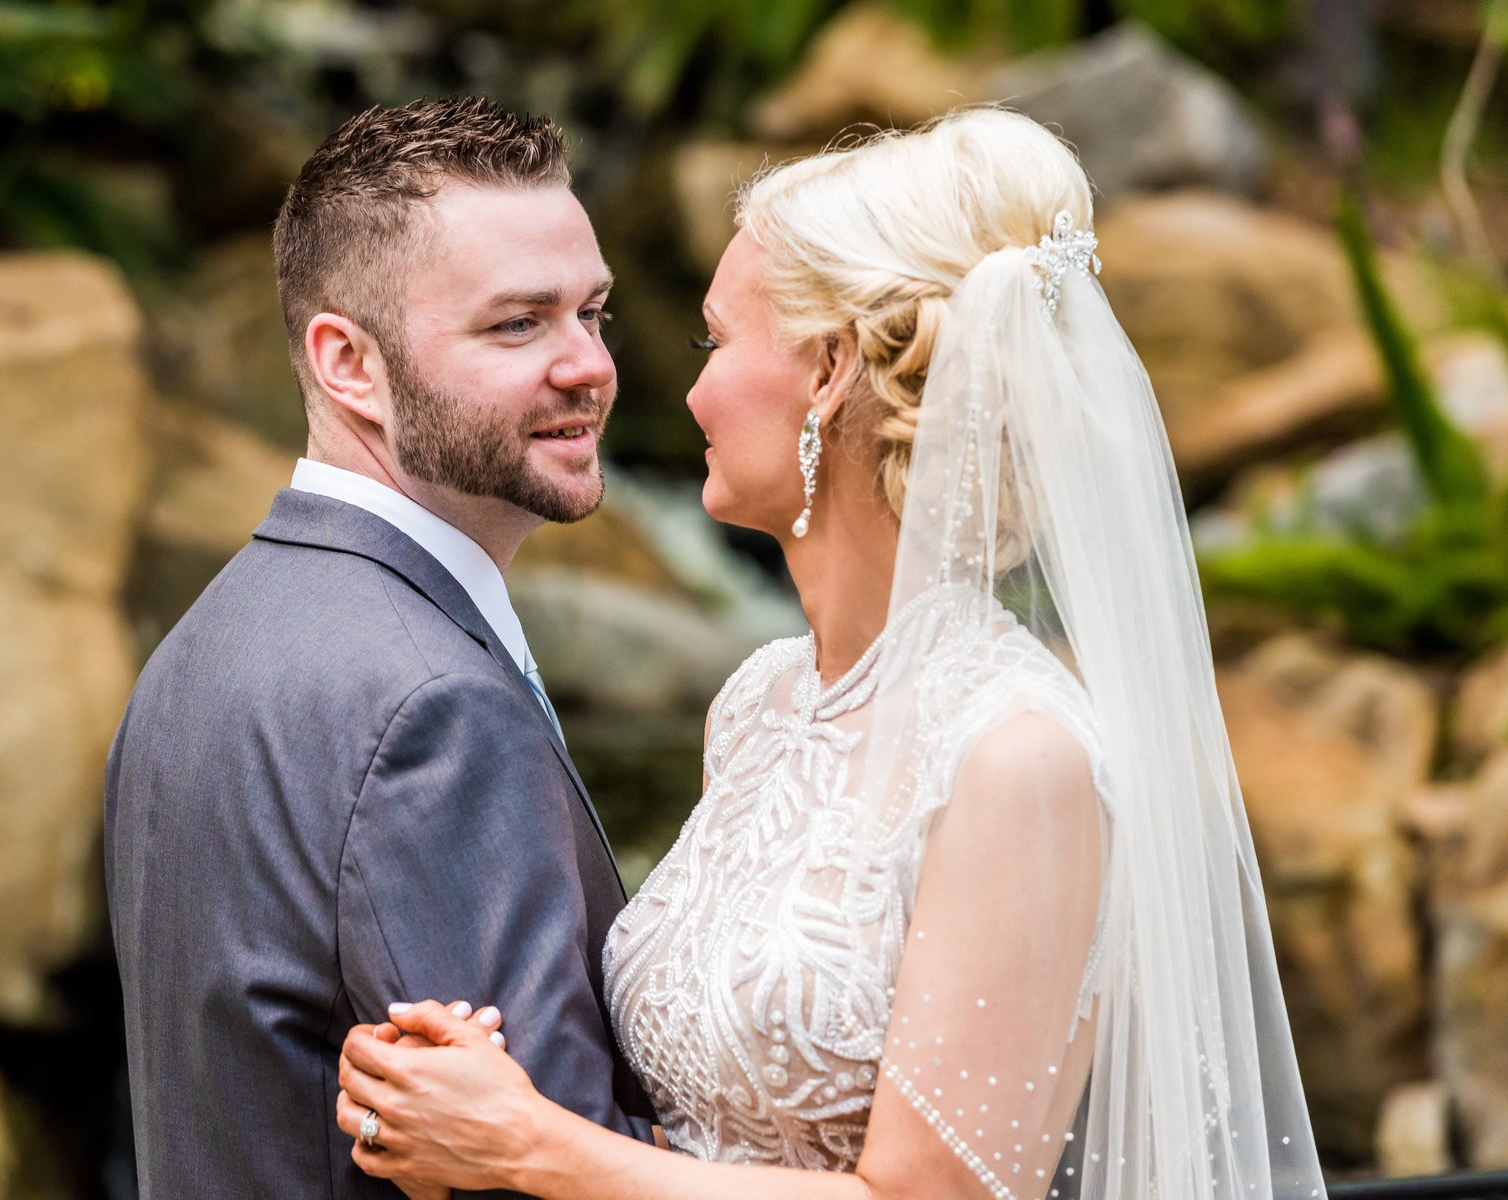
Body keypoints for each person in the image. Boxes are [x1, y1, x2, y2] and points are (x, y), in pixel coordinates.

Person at [334, 108, 1331, 1200]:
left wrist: (528, 1145)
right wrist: (457, 1093)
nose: (685, 391)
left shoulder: (1016, 757)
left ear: (830, 369)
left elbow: (928, 1198)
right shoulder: (758, 703)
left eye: (715, 343)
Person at [103, 95, 654, 1200]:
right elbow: (538, 1169)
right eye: (518, 324)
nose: (588, 364)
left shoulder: (206, 640)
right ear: (348, 363)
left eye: (592, 312)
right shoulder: (433, 710)